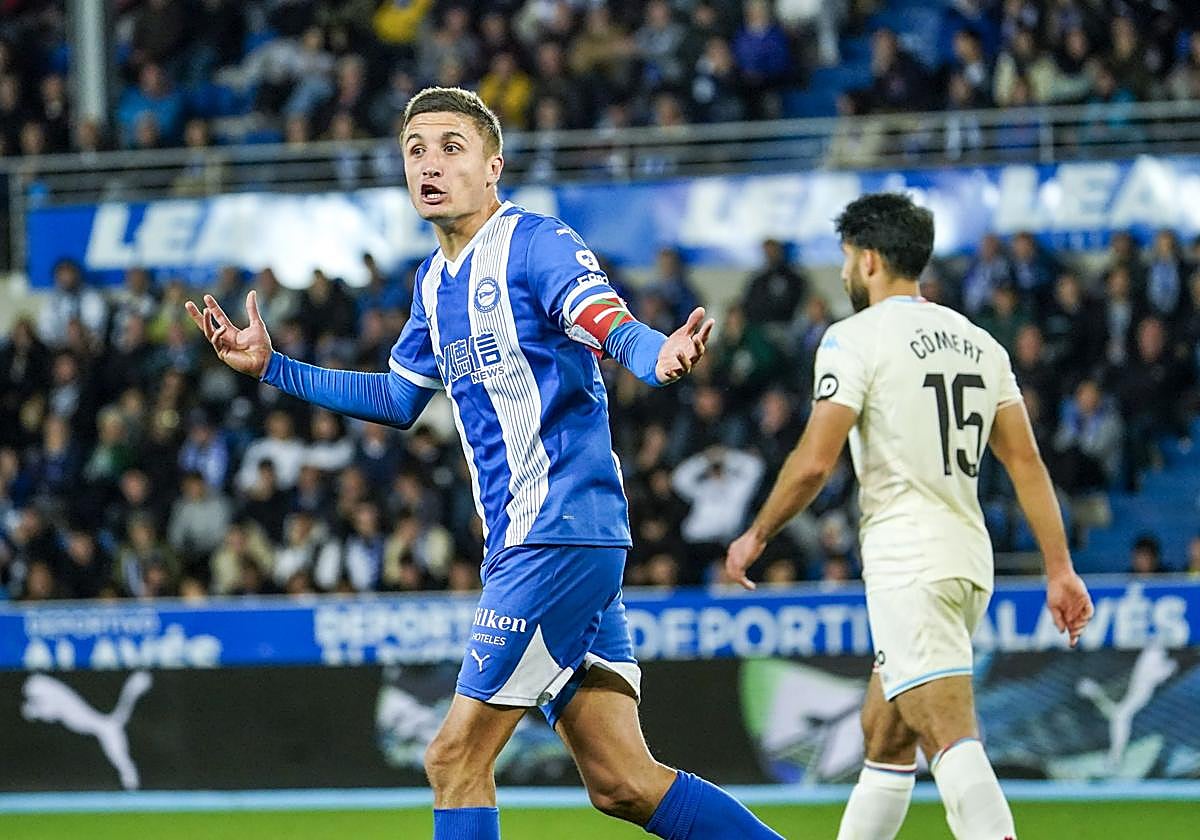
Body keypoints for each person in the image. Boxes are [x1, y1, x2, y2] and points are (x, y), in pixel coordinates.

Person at [186, 87, 780, 840]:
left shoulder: (535, 243)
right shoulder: (433, 284)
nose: (429, 164)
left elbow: (604, 318)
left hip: (556, 535)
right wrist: (276, 369)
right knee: (624, 785)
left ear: (493, 164)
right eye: (415, 151)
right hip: (540, 544)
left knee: (453, 756)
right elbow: (400, 398)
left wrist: (655, 351)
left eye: (450, 147)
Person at [725, 192, 1094, 840]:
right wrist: (1059, 568)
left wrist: (757, 534)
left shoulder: (853, 338)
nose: (843, 273)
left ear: (868, 260)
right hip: (964, 559)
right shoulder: (979, 342)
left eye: (845, 259)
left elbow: (815, 461)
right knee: (886, 735)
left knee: (951, 737)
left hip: (909, 560)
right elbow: (1027, 464)